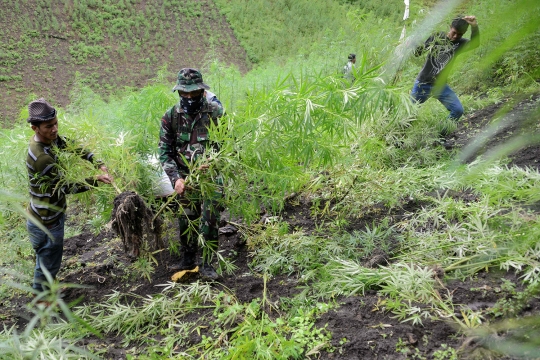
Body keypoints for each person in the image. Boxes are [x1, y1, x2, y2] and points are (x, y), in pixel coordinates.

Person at [25, 98, 113, 294]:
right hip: (46, 219)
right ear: (35, 128)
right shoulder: (42, 157)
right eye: (49, 126)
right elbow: (65, 187)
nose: (55, 129)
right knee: (48, 262)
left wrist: (96, 161)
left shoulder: (49, 139)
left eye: (56, 123)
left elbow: (69, 145)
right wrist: (96, 179)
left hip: (45, 213)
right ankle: (42, 300)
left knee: (48, 260)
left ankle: (47, 290)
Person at [158, 68, 224, 280]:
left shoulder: (215, 113)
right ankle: (188, 258)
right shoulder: (170, 117)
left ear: (201, 92)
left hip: (210, 177)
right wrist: (175, 178)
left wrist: (212, 162)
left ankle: (207, 263)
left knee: (210, 218)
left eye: (193, 94)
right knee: (187, 218)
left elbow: (227, 146)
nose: (188, 98)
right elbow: (165, 153)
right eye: (183, 94)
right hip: (184, 179)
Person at [411, 15, 479, 127]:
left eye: (460, 34)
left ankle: (441, 134)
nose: (456, 36)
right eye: (454, 32)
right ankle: (399, 140)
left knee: (457, 110)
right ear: (450, 27)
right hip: (423, 84)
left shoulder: (460, 43)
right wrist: (413, 43)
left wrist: (474, 26)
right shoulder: (437, 37)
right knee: (409, 113)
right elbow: (418, 53)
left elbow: (475, 44)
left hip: (441, 86)